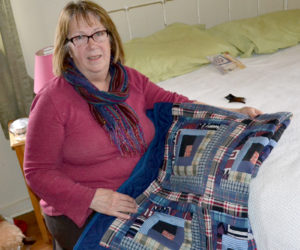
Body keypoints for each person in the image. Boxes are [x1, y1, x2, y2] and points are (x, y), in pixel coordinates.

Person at [24, 1, 262, 249]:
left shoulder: (129, 80)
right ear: (68, 48)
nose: (92, 44)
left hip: (141, 189)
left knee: (207, 229)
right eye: (80, 37)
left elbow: (177, 104)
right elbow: (36, 172)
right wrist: (93, 198)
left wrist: (232, 112)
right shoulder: (52, 99)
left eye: (98, 33)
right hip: (82, 208)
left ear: (110, 39)